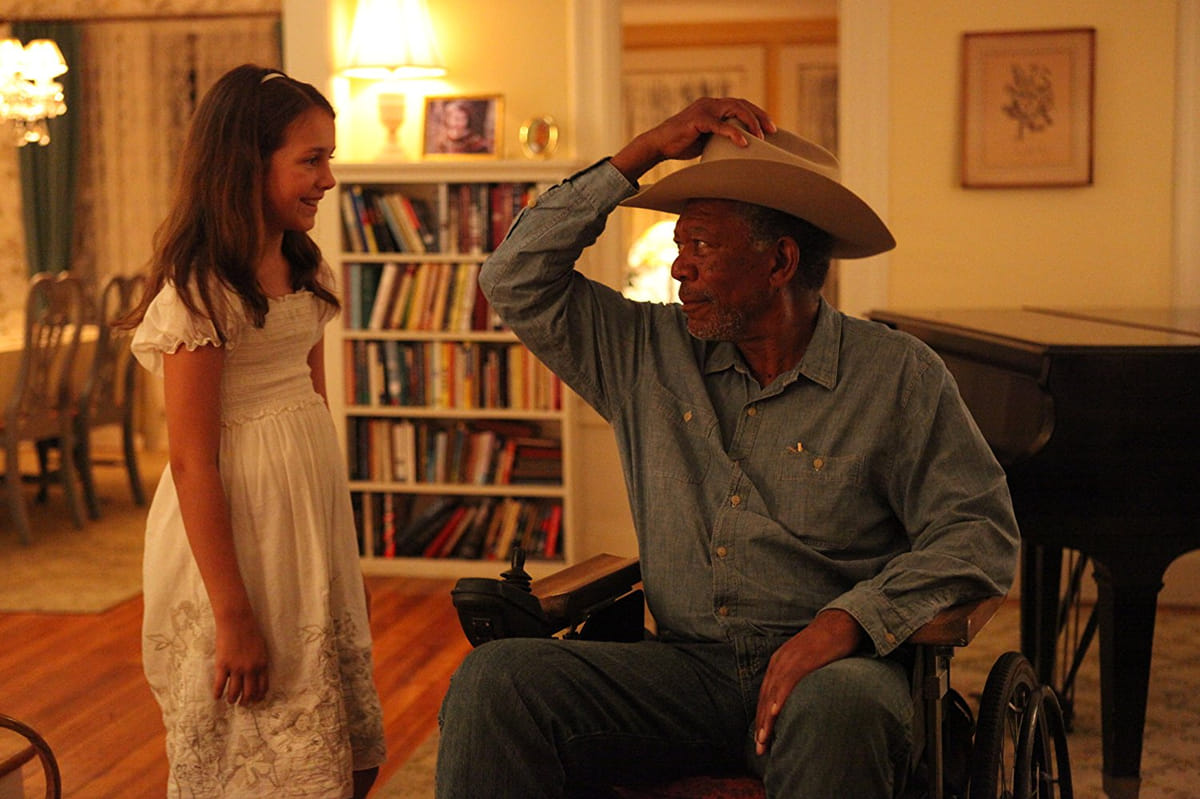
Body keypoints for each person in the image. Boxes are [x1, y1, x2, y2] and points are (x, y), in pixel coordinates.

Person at [435, 97, 1020, 798]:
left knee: (842, 708)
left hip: (834, 673)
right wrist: (643, 152)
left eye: (702, 247)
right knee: (496, 680)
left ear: (780, 262)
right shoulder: (644, 352)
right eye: (679, 246)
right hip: (683, 675)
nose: (679, 269)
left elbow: (978, 532)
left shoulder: (896, 374)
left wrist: (847, 621)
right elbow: (511, 278)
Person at [123, 64, 386, 798]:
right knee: (254, 748)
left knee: (347, 749)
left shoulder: (304, 266)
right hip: (238, 536)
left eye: (329, 157)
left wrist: (341, 561)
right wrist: (233, 614)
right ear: (247, 163)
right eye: (311, 160)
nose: (328, 178)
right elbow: (191, 462)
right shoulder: (201, 292)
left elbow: (315, 405)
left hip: (305, 518)